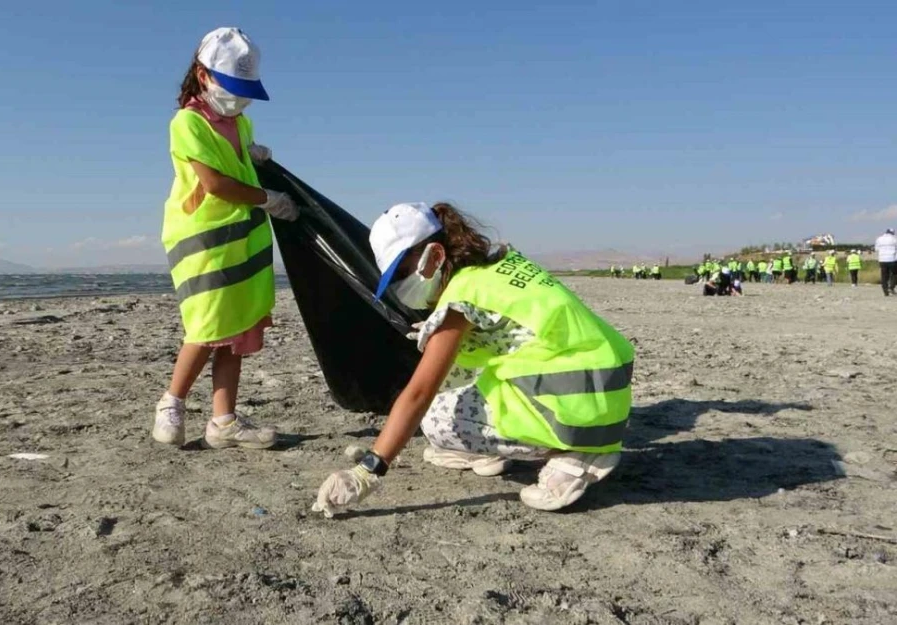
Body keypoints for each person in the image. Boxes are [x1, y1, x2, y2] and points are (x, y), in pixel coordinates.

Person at [311, 202, 634, 516]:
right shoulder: (498, 266)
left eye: (402, 272)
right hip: (603, 390)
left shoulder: (462, 297)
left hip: (581, 411)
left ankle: (575, 455)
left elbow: (419, 393)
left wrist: (369, 470)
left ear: (435, 254)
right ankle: (484, 448)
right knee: (458, 369)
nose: (400, 285)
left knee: (434, 418)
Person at [153, 27, 299, 450]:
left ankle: (224, 422)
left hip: (244, 239)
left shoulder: (241, 121)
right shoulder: (187, 122)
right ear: (203, 75)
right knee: (207, 323)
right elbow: (214, 183)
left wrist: (254, 154)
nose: (237, 98)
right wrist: (267, 198)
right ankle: (171, 404)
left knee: (235, 330)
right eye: (230, 86)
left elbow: (238, 161)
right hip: (205, 237)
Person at [876, 228, 897, 296]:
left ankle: (885, 291)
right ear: (892, 233)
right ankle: (891, 287)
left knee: (884, 275)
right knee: (895, 274)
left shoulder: (879, 239)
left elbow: (876, 249)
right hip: (892, 259)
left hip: (882, 259)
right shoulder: (894, 239)